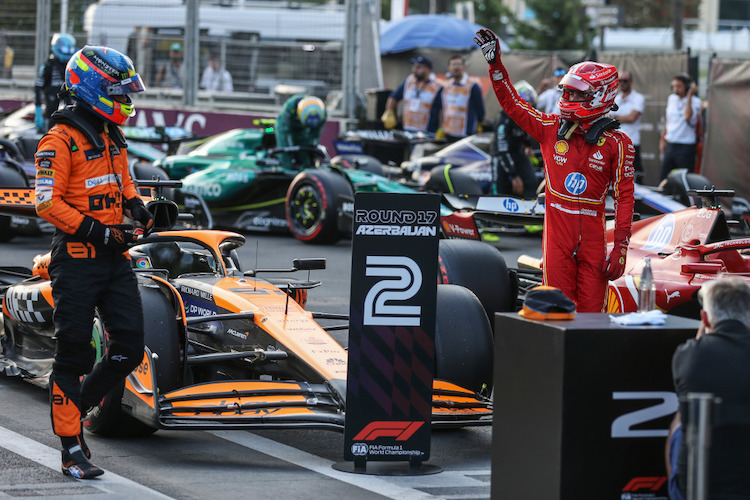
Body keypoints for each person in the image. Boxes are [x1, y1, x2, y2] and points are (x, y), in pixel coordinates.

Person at [34, 45, 153, 479]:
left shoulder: (110, 134)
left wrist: (141, 209)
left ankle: (72, 409)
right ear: (93, 88)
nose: (124, 98)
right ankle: (70, 449)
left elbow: (124, 186)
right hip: (78, 260)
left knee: (127, 349)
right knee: (74, 355)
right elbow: (46, 203)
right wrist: (101, 231)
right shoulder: (59, 139)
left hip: (114, 259)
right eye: (117, 90)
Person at [474, 29, 635, 312]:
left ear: (600, 96)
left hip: (595, 243)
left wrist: (621, 248)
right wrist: (495, 65)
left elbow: (625, 199)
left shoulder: (618, 143)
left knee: (591, 318)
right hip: (557, 239)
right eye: (568, 90)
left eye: (577, 92)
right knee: (556, 314)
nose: (569, 96)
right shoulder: (550, 128)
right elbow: (512, 104)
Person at [666, 277, 750, 500]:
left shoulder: (688, 355)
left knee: (681, 419)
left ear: (705, 318)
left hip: (698, 485)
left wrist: (700, 337)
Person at [492, 80, 539, 199]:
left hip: (517, 151)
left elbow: (524, 133)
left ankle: (529, 212)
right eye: (525, 107)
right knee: (499, 190)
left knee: (532, 182)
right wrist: (514, 175)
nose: (528, 111)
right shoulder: (503, 120)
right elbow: (502, 150)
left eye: (531, 107)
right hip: (501, 155)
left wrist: (528, 145)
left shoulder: (527, 117)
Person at [381, 56, 443, 133]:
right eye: (414, 66)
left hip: (427, 132)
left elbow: (442, 110)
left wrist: (441, 129)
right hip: (408, 129)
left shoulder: (437, 86)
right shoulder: (409, 81)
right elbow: (393, 97)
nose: (414, 70)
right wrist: (389, 112)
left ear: (427, 70)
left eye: (418, 67)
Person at [659, 73, 701, 181]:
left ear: (687, 87)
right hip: (670, 144)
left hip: (685, 147)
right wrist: (663, 138)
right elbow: (668, 120)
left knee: (685, 180)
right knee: (664, 179)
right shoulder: (671, 98)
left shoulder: (695, 101)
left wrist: (690, 95)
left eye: (679, 86)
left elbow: (687, 116)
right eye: (673, 86)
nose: (675, 89)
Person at [35, 33, 76, 132]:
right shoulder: (48, 66)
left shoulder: (70, 66)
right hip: (52, 98)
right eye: (65, 50)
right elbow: (38, 86)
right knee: (51, 118)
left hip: (67, 97)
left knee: (69, 114)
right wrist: (38, 107)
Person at [440, 55, 485, 142]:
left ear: (464, 67)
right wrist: (441, 128)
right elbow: (442, 109)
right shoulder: (446, 86)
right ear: (448, 68)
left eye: (458, 64)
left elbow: (480, 109)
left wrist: (479, 124)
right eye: (453, 65)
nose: (456, 67)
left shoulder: (473, 86)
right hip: (448, 133)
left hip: (465, 134)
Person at [274, 94, 327, 168]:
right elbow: (286, 134)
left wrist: (313, 150)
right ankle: (287, 166)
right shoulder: (289, 109)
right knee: (286, 153)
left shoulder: (322, 113)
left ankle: (306, 166)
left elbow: (315, 135)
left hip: (304, 127)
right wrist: (291, 151)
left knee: (306, 149)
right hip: (286, 127)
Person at [611, 71, 645, 183]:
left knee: (633, 175)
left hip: (632, 142)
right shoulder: (616, 98)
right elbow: (607, 117)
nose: (622, 83)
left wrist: (614, 117)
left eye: (625, 81)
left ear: (631, 82)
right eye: (619, 81)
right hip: (616, 143)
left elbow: (632, 118)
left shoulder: (638, 98)